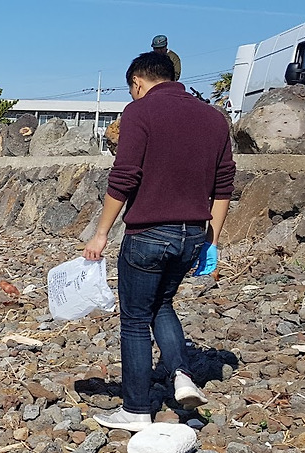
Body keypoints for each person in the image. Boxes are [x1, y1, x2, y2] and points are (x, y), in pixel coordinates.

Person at [83, 52, 235, 431]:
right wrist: (211, 241)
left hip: (148, 234)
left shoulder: (140, 112)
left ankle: (135, 410)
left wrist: (101, 233)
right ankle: (182, 375)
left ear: (137, 82)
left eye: (131, 89)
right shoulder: (214, 118)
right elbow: (223, 186)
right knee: (162, 304)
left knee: (135, 319)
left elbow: (124, 176)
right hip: (193, 234)